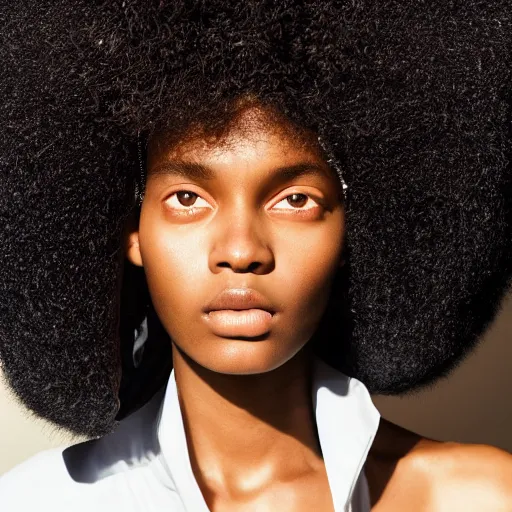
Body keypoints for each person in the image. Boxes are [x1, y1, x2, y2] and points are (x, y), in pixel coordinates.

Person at [1, 1, 512, 510]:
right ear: (131, 232)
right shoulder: (36, 502)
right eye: (187, 199)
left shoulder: (476, 497)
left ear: (355, 231)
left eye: (295, 200)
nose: (241, 251)